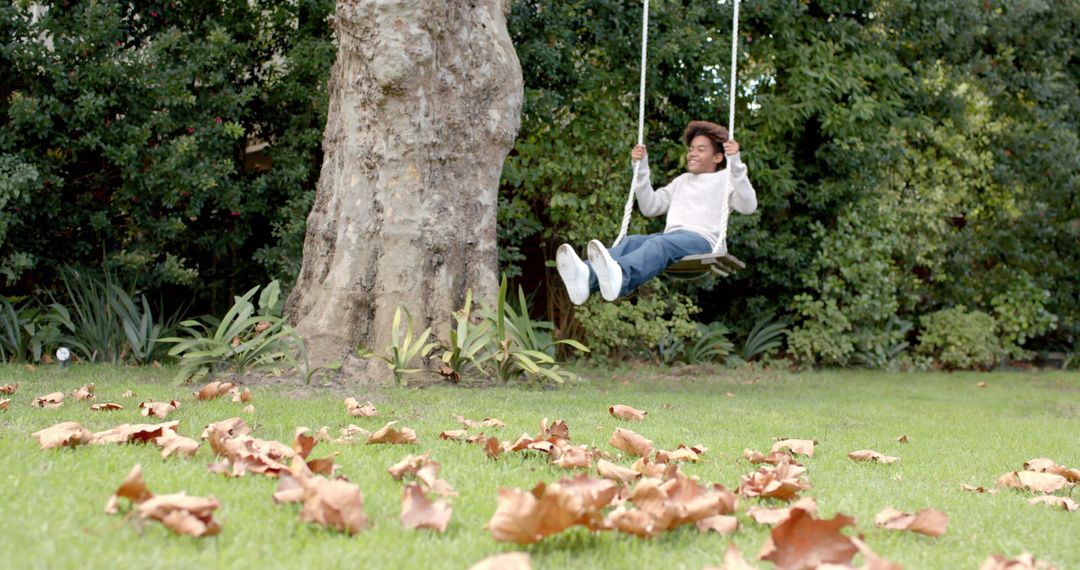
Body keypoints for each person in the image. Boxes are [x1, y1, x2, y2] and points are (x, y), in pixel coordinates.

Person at [556, 120, 757, 304]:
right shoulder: (681, 181)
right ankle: (586, 276)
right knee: (632, 242)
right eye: (691, 149)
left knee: (659, 242)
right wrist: (641, 168)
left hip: (702, 242)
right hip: (674, 240)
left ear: (718, 156)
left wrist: (736, 165)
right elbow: (650, 207)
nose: (692, 153)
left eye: (701, 149)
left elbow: (749, 206)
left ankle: (622, 276)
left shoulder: (726, 179)